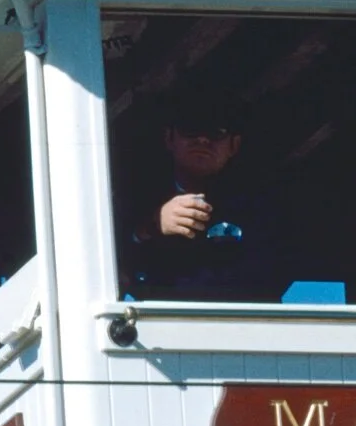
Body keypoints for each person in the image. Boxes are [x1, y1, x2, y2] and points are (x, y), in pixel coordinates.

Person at [122, 86, 286, 303]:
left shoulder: (263, 207)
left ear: (234, 146)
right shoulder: (132, 199)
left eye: (215, 131)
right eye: (191, 129)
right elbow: (108, 271)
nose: (202, 140)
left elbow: (268, 282)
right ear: (169, 139)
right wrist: (153, 227)